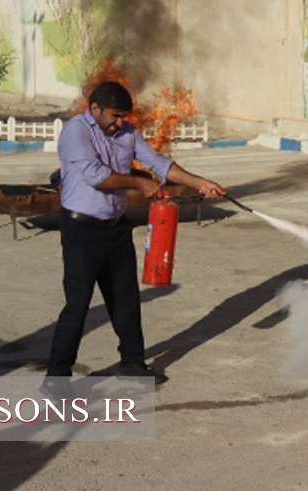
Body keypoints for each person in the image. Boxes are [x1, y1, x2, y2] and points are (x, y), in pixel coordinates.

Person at [45, 80, 225, 387]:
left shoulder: (127, 132)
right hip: (81, 230)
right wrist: (140, 183)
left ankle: (132, 363)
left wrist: (200, 183)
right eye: (114, 116)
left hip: (115, 228)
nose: (119, 123)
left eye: (123, 116)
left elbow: (158, 163)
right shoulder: (76, 132)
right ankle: (57, 377)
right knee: (78, 304)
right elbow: (97, 176)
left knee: (126, 299)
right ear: (95, 109)